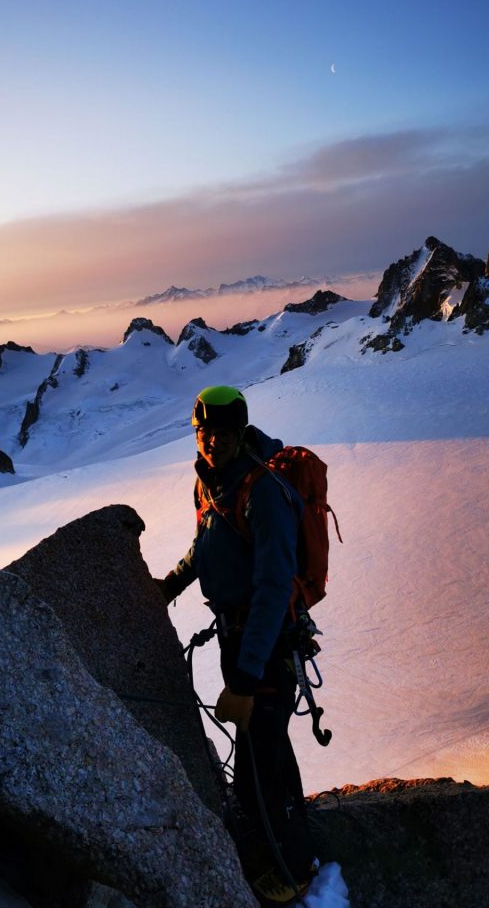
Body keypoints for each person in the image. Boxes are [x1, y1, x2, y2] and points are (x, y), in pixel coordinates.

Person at [157, 385, 316, 905]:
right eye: (205, 433)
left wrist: (246, 681)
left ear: (240, 431)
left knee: (258, 757)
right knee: (260, 749)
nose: (213, 442)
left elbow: (274, 587)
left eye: (223, 433)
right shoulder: (211, 482)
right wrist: (170, 584)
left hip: (265, 643)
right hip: (237, 635)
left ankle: (291, 874)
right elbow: (208, 542)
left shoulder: (263, 489)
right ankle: (284, 850)